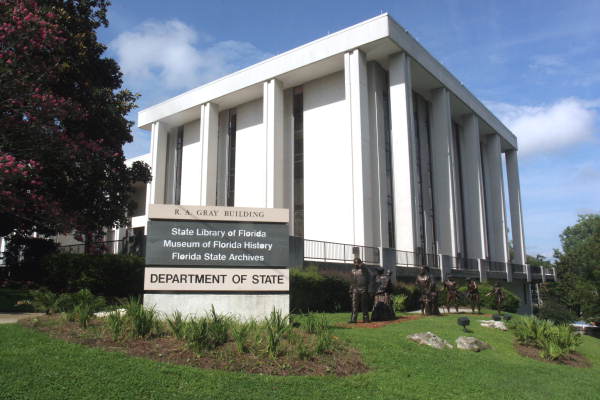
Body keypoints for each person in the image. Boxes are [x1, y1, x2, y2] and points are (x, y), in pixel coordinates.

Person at [349, 257, 371, 323]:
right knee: (354, 304)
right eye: (355, 262)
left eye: (357, 262)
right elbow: (352, 281)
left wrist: (361, 264)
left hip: (363, 289)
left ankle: (365, 318)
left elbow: (365, 268)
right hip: (355, 289)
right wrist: (350, 289)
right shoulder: (353, 271)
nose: (356, 264)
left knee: (364, 305)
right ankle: (353, 319)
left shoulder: (364, 269)